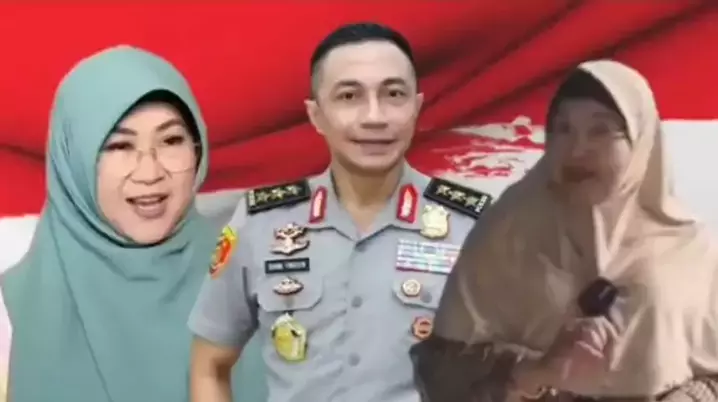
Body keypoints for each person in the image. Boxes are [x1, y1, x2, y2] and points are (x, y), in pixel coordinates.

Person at [188, 22, 493, 402]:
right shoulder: (260, 224)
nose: (374, 116)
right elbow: (209, 366)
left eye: (394, 94)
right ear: (316, 115)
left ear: (416, 107)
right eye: (349, 96)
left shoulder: (478, 227)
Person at [410, 60, 718, 401]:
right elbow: (441, 372)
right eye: (563, 128)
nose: (577, 150)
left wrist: (690, 398)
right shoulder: (509, 231)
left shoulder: (690, 247)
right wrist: (535, 372)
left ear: (641, 142)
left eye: (601, 130)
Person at [0, 45, 266, 402]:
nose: (150, 172)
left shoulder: (257, 277)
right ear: (73, 159)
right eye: (120, 147)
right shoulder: (11, 318)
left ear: (198, 149)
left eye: (171, 140)